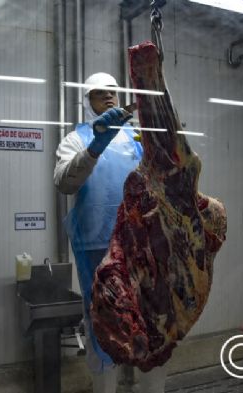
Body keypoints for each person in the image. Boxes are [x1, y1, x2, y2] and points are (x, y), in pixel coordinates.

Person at [54, 72, 168, 393]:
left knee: (150, 328)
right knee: (104, 331)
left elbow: (160, 182)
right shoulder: (75, 139)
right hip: (97, 251)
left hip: (141, 249)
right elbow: (64, 182)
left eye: (113, 92)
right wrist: (95, 145)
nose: (109, 97)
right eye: (99, 93)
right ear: (87, 100)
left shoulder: (137, 139)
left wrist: (167, 143)